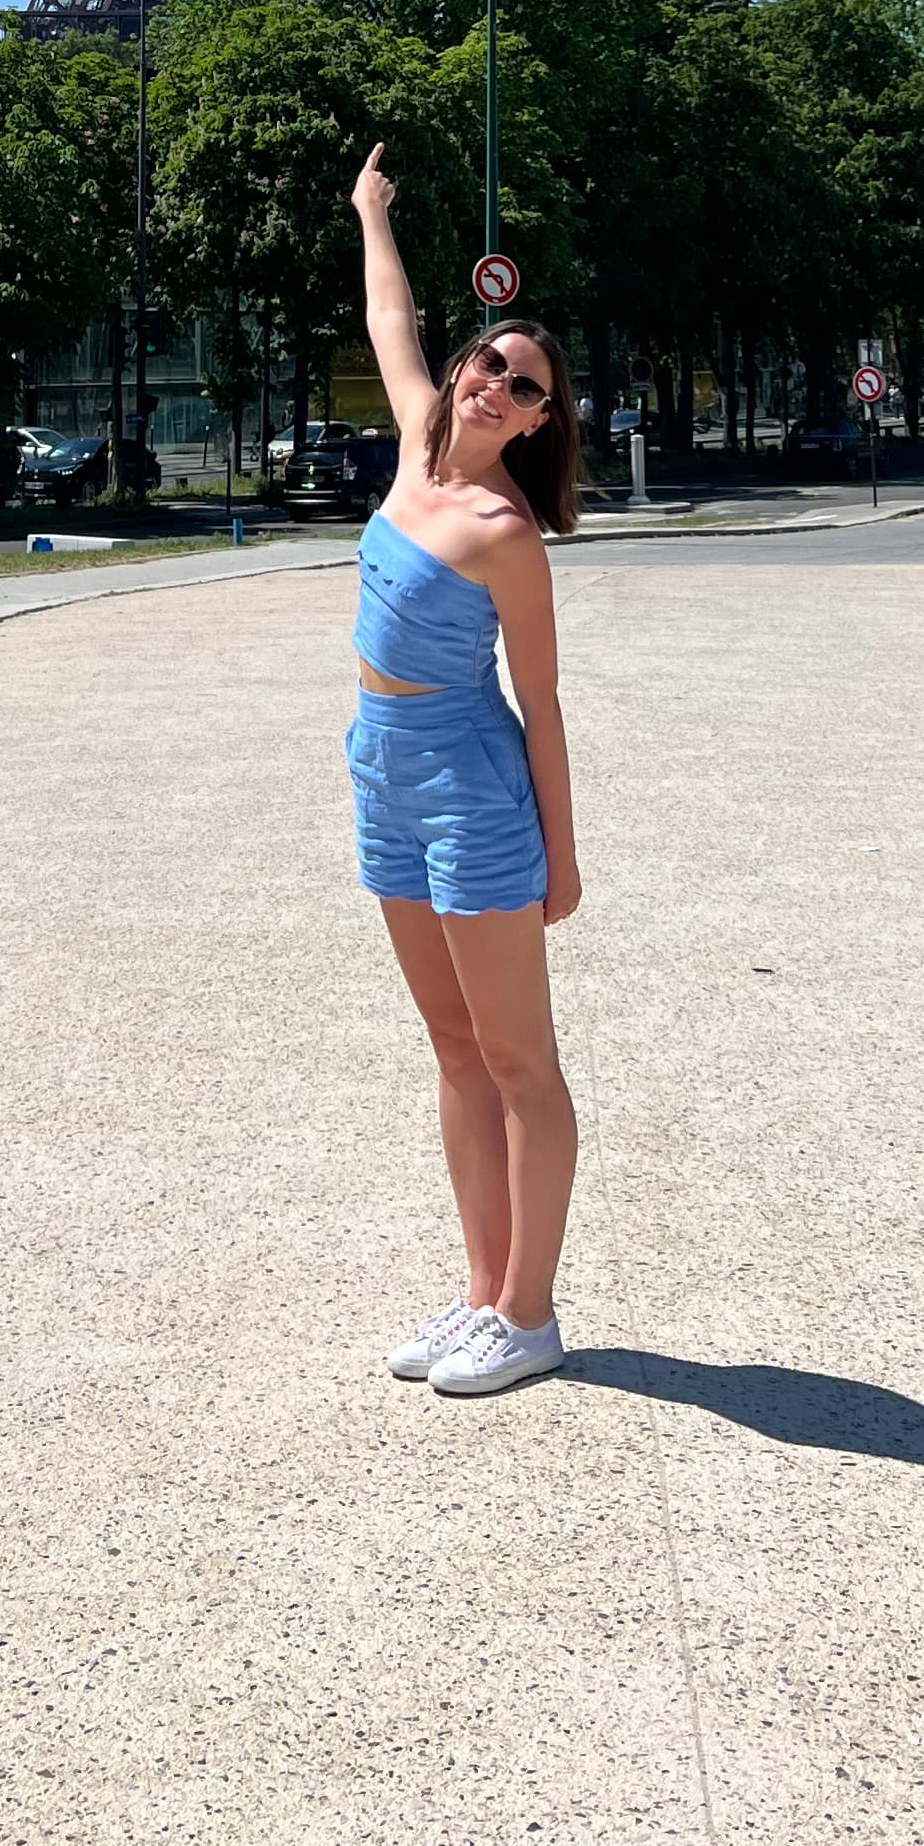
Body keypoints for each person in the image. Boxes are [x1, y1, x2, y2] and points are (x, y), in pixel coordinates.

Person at [346, 144, 582, 1398]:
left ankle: (530, 1313)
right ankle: (480, 1294)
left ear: (543, 421)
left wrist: (564, 853)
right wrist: (372, 212)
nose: (495, 382)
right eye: (489, 361)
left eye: (524, 383)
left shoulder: (505, 534)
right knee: (450, 1047)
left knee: (518, 1062)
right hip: (379, 770)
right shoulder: (415, 449)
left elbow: (539, 705)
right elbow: (393, 313)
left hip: (470, 787)